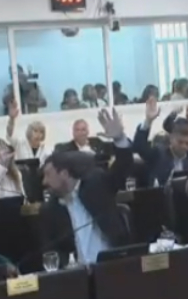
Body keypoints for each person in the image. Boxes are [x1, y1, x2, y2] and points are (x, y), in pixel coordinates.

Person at [39, 110, 134, 265]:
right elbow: (51, 252)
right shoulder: (50, 211)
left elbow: (123, 167)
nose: (44, 182)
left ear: (64, 173)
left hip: (114, 266)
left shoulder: (96, 185)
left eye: (48, 175)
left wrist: (119, 139)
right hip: (78, 274)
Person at [136, 97, 188, 184]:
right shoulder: (159, 154)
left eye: (187, 143)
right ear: (171, 138)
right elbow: (140, 147)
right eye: (180, 142)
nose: (184, 147)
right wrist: (148, 121)